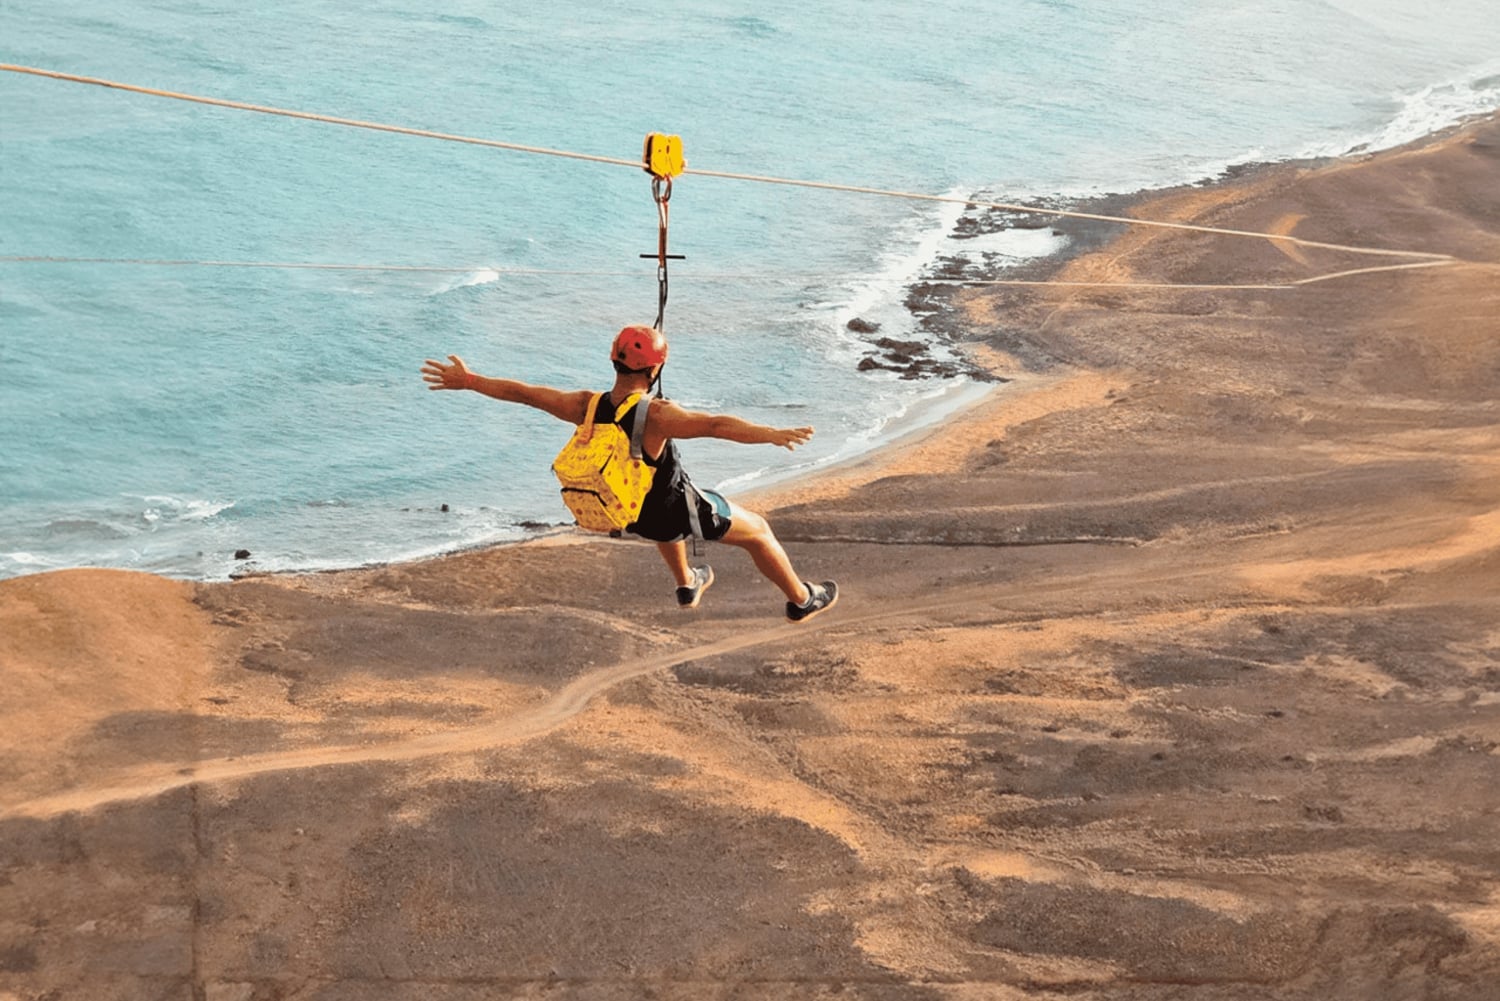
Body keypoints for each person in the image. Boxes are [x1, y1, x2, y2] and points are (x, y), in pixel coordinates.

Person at [420, 324, 839, 622]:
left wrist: (470, 380)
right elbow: (714, 425)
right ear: (654, 372)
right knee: (759, 532)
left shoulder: (587, 405)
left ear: (614, 361)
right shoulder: (657, 414)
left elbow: (525, 394)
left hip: (626, 513)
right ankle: (802, 599)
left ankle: (687, 583)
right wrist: (771, 434)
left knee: (667, 505)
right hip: (672, 511)